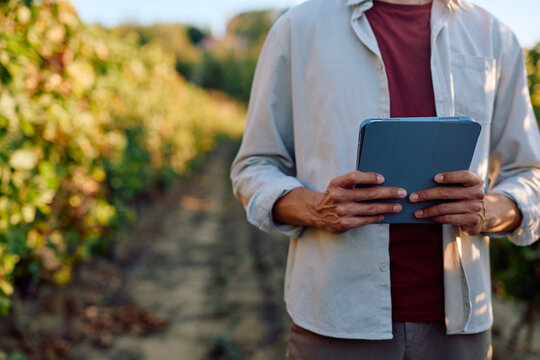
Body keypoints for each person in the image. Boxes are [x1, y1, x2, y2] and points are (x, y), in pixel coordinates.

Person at [230, 0, 540, 358]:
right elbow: (254, 165)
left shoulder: (493, 36)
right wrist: (316, 208)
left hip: (460, 330)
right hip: (335, 320)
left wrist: (491, 209)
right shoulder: (298, 28)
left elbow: (530, 173)